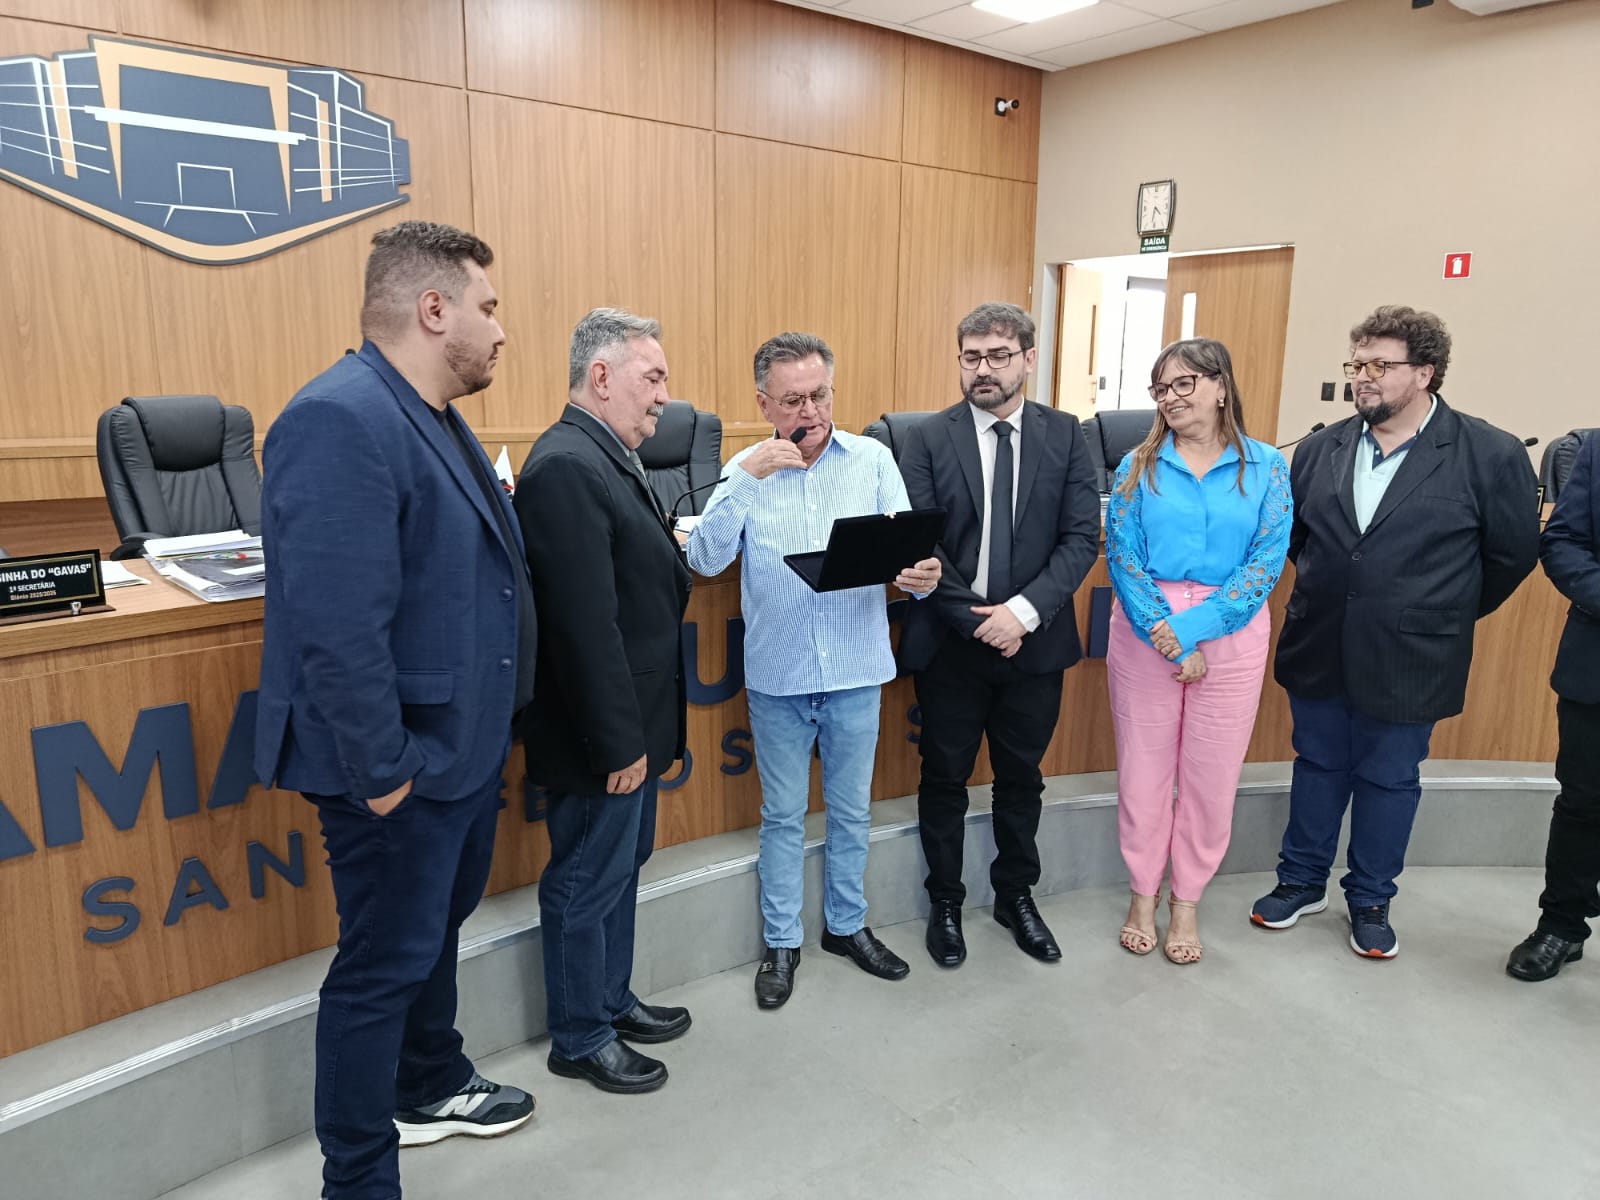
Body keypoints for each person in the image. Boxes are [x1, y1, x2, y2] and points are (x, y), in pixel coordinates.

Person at [256, 220, 536, 1200]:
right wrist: (385, 776)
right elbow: (336, 629)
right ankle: (359, 1180)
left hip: (456, 753)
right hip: (397, 770)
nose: (500, 329)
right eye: (487, 307)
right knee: (378, 973)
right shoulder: (338, 418)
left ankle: (429, 1085)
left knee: (426, 942)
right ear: (433, 310)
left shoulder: (431, 414)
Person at [1253, 305, 1539, 957]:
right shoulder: (1320, 448)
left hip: (1414, 653)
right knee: (1317, 764)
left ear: (1425, 374)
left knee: (1388, 776)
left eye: (1380, 365)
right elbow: (1301, 543)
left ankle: (1370, 898)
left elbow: (1511, 556)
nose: (1363, 377)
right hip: (1321, 640)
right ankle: (1300, 882)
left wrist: (1437, 612)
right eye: (1357, 364)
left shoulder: (1487, 453)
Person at [685, 332, 941, 1010]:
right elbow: (705, 560)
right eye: (794, 400)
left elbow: (909, 559)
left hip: (856, 667)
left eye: (820, 395)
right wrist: (746, 478)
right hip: (780, 675)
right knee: (783, 815)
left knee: (852, 811)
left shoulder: (873, 460)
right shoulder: (744, 470)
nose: (811, 412)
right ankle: (781, 942)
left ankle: (847, 926)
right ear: (765, 404)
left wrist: (921, 576)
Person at [515, 308, 694, 1091]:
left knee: (621, 867)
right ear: (601, 377)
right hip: (602, 739)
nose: (664, 396)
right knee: (586, 879)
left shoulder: (605, 454)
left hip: (633, 725)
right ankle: (580, 1034)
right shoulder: (566, 466)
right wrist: (619, 745)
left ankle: (611, 1000)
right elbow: (583, 629)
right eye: (652, 377)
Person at [897, 302, 1099, 967]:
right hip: (952, 644)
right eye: (971, 357)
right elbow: (922, 541)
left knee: (1021, 778)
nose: (983, 369)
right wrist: (982, 621)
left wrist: (1024, 614)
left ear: (1028, 359)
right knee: (944, 777)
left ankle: (1016, 896)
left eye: (998, 355)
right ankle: (945, 902)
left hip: (1035, 643)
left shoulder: (1066, 434)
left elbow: (1081, 538)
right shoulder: (927, 437)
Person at [1104, 338, 1291, 964]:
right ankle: (1142, 894)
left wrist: (1194, 630)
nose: (1170, 398)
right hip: (1144, 630)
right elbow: (1123, 557)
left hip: (1233, 631)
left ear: (1220, 386)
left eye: (1184, 384)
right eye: (1161, 388)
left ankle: (1186, 900)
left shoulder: (1266, 466)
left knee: (1212, 778)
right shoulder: (1136, 466)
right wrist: (1165, 632)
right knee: (1144, 774)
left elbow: (1265, 562)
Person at [1506, 431, 1600, 981]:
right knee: (1583, 803)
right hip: (1596, 668)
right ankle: (1561, 926)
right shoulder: (1595, 452)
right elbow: (1562, 543)